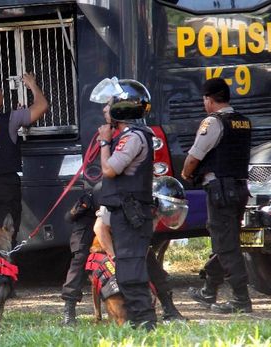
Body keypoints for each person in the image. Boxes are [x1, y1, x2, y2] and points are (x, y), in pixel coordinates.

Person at [181, 77, 252, 314]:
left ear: (209, 100)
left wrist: (186, 174)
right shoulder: (243, 121)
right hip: (240, 189)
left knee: (227, 244)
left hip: (220, 190)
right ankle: (209, 290)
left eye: (204, 100)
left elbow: (194, 157)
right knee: (225, 240)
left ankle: (241, 300)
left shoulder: (212, 123)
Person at [93, 77, 157, 330]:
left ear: (123, 107)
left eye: (109, 104)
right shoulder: (130, 135)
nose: (104, 109)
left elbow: (109, 170)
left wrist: (103, 142)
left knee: (130, 271)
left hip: (132, 215)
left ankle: (145, 324)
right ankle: (138, 323)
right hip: (125, 213)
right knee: (126, 269)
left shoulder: (132, 138)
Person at [93, 176, 189, 322]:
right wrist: (113, 256)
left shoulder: (153, 210)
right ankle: (73, 309)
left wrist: (141, 260)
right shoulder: (118, 195)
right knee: (116, 278)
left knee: (156, 272)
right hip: (108, 243)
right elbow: (99, 228)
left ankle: (169, 310)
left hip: (133, 242)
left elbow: (146, 236)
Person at [0, 74, 48, 246]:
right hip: (8, 185)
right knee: (8, 236)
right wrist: (32, 84)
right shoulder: (11, 119)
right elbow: (42, 106)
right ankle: (4, 270)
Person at [60, 187, 98, 325]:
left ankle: (167, 306)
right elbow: (69, 217)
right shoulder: (93, 194)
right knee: (79, 264)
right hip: (85, 237)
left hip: (113, 233)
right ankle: (69, 312)